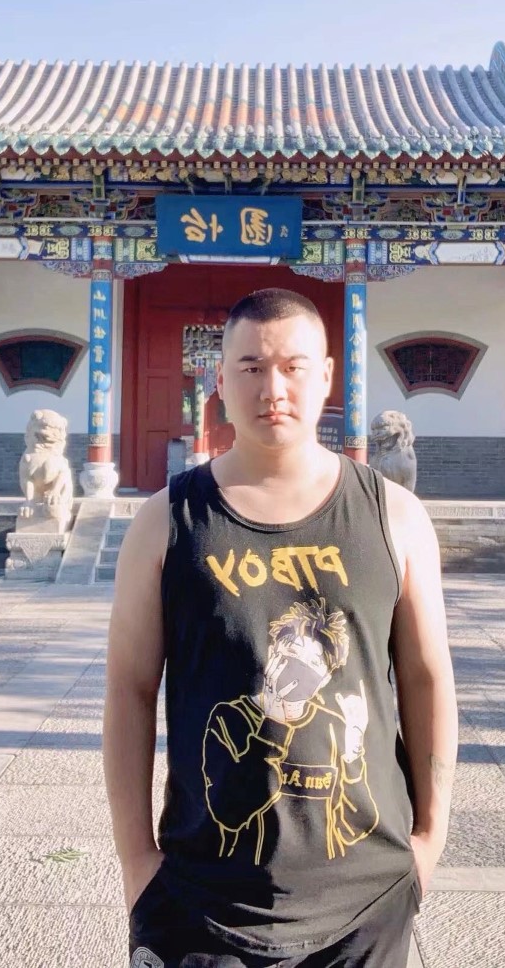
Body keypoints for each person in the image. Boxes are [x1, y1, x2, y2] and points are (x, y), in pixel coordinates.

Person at [103, 287, 458, 968]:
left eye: (294, 367)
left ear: (326, 376)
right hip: (201, 899)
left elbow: (426, 676)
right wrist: (138, 864)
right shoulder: (167, 522)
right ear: (220, 379)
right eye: (251, 367)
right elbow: (129, 688)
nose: (273, 389)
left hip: (366, 902)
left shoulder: (393, 516)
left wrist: (429, 839)